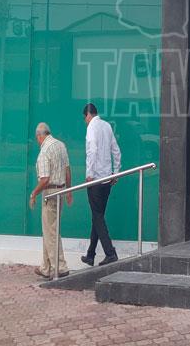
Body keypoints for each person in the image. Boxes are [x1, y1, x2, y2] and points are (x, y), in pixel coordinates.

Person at [29, 122, 73, 278]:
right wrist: (69, 191)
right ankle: (46, 267)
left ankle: (59, 267)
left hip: (50, 193)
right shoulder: (61, 145)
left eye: (37, 138)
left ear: (39, 136)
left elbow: (45, 179)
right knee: (50, 230)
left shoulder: (44, 151)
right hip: (61, 190)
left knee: (51, 232)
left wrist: (34, 193)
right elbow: (67, 170)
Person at [81, 103, 121, 267]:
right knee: (97, 216)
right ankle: (91, 254)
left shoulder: (92, 127)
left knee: (97, 217)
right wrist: (116, 172)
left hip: (96, 179)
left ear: (88, 115)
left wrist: (89, 174)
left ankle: (110, 253)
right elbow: (116, 150)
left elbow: (92, 150)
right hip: (107, 180)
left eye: (85, 118)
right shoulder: (107, 126)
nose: (85, 121)